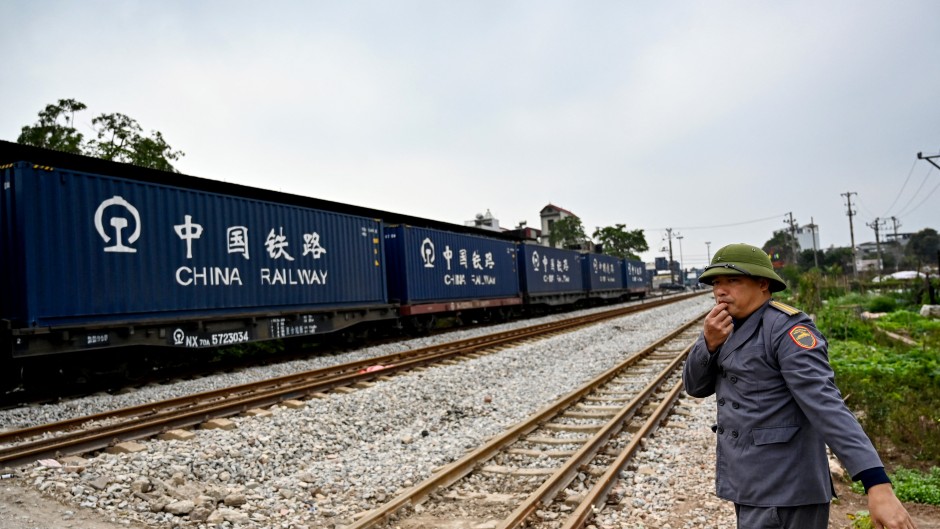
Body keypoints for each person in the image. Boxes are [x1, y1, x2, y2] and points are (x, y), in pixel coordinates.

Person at [683, 243, 917, 529]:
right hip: (750, 483)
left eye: (733, 280)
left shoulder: (787, 329)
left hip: (786, 487)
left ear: (762, 284)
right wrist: (708, 343)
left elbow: (826, 404)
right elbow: (695, 387)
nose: (721, 290)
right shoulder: (723, 326)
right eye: (716, 282)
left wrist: (875, 482)